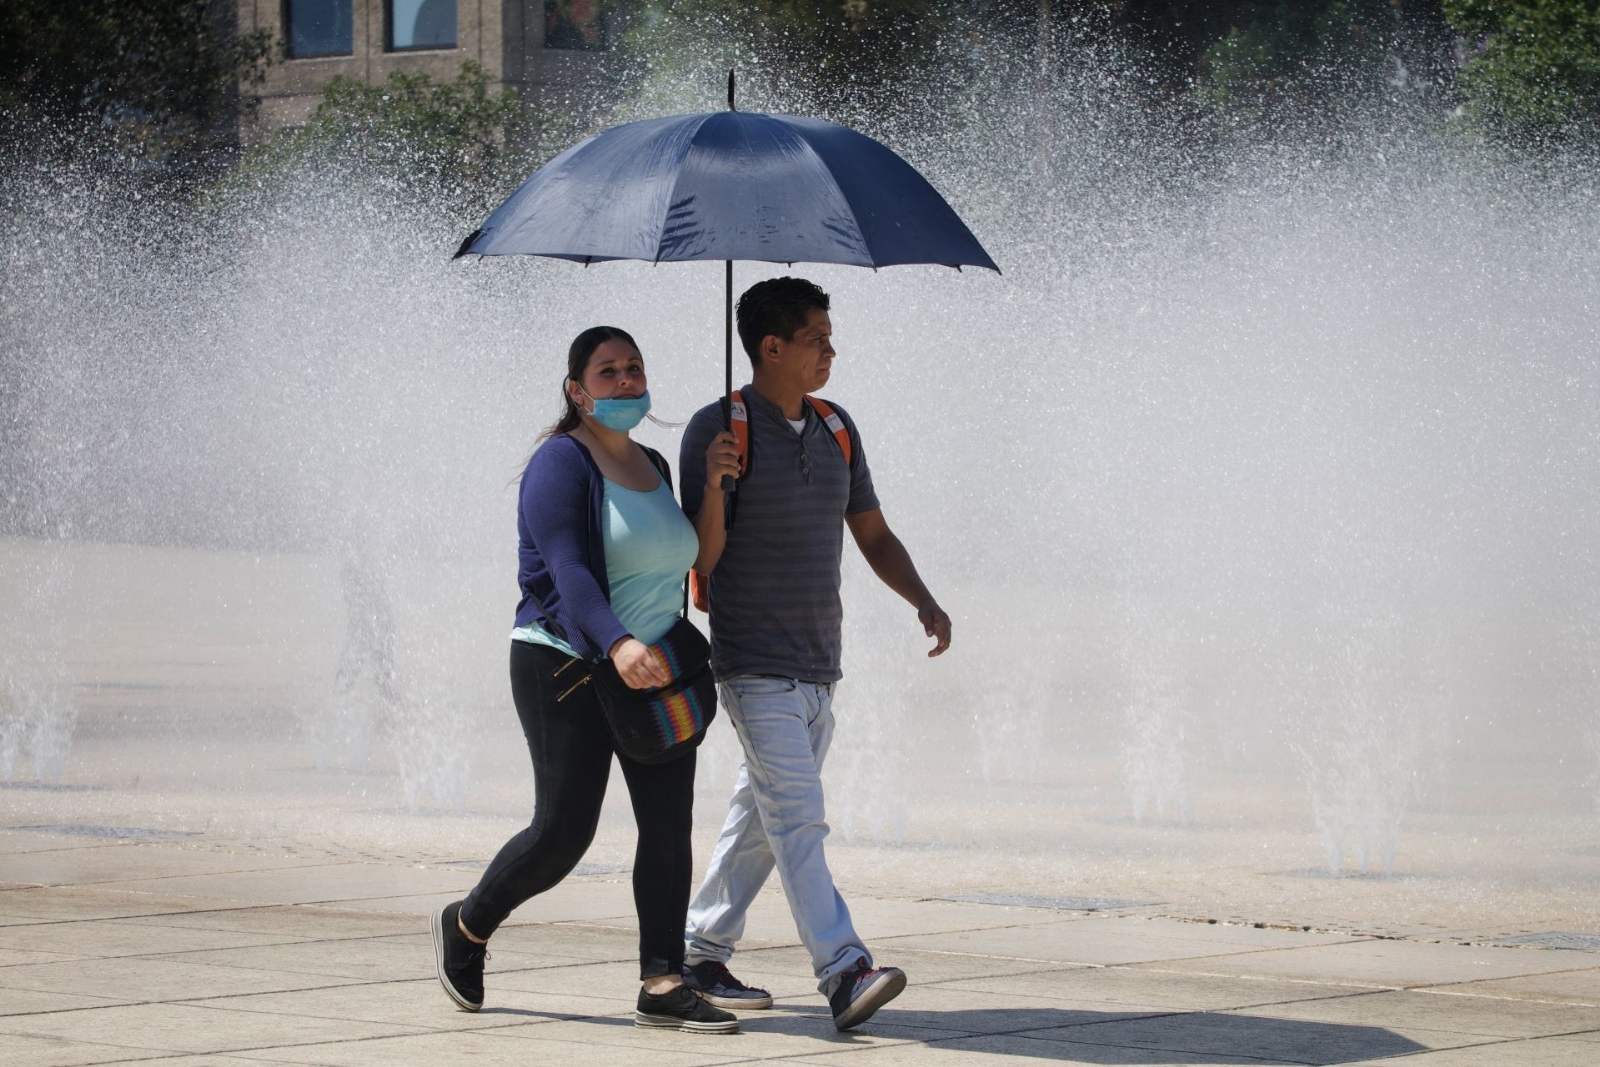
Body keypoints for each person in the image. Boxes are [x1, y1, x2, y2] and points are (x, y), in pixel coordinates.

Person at [430, 326, 738, 1034]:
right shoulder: (560, 464)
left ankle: (662, 979)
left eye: (634, 368)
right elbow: (566, 573)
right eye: (608, 372)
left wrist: (715, 488)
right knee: (563, 831)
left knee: (667, 825)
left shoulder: (655, 463)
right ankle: (468, 925)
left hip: (653, 667)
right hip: (563, 662)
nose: (626, 381)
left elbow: (699, 558)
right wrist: (617, 640)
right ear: (577, 389)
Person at [677, 277, 952, 1031]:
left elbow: (872, 533)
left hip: (818, 667)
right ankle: (843, 968)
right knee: (799, 818)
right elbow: (698, 560)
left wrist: (921, 597)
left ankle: (700, 951)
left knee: (762, 819)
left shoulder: (837, 427)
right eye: (818, 338)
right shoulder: (718, 428)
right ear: (773, 346)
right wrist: (712, 483)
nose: (832, 349)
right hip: (752, 662)